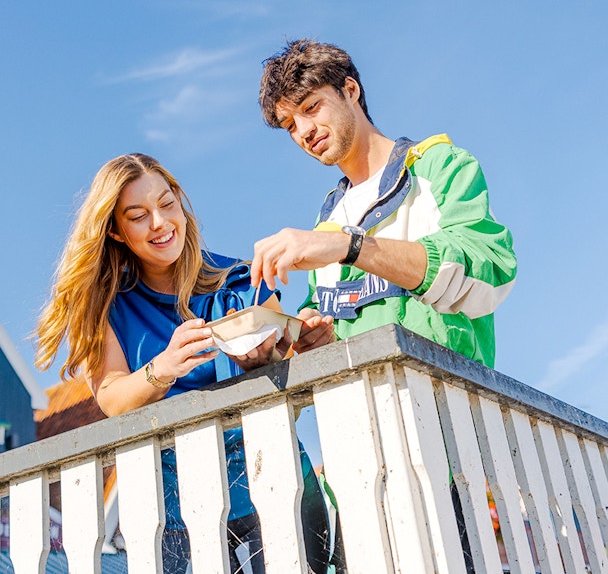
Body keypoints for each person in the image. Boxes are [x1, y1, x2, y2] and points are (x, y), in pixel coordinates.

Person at [34, 153, 335, 574]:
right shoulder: (106, 309)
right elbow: (112, 398)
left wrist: (298, 346)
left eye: (167, 203)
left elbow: (283, 357)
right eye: (138, 215)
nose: (160, 222)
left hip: (277, 482)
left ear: (181, 203)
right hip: (172, 510)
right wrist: (165, 366)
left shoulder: (243, 279)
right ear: (117, 233)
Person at [252, 38, 517, 367]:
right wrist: (314, 334)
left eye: (310, 107)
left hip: (447, 404)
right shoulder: (327, 220)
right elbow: (325, 318)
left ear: (349, 90)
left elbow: (491, 273)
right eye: (290, 125)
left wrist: (351, 246)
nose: (304, 130)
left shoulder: (440, 166)